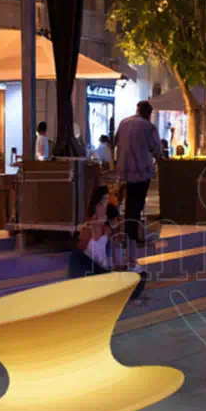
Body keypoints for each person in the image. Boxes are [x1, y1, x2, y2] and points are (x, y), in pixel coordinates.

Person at [69, 186, 146, 301]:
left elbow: (110, 254)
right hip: (94, 271)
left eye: (106, 200)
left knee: (139, 273)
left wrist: (122, 265)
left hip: (104, 269)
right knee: (136, 278)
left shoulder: (106, 228)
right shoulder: (88, 228)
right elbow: (81, 254)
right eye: (103, 201)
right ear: (97, 205)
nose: (105, 204)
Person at [114, 100, 163, 270]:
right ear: (149, 113)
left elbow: (115, 141)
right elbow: (157, 150)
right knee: (136, 206)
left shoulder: (124, 122)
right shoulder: (149, 127)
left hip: (124, 171)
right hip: (141, 172)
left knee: (128, 207)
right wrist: (159, 157)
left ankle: (129, 240)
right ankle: (132, 246)